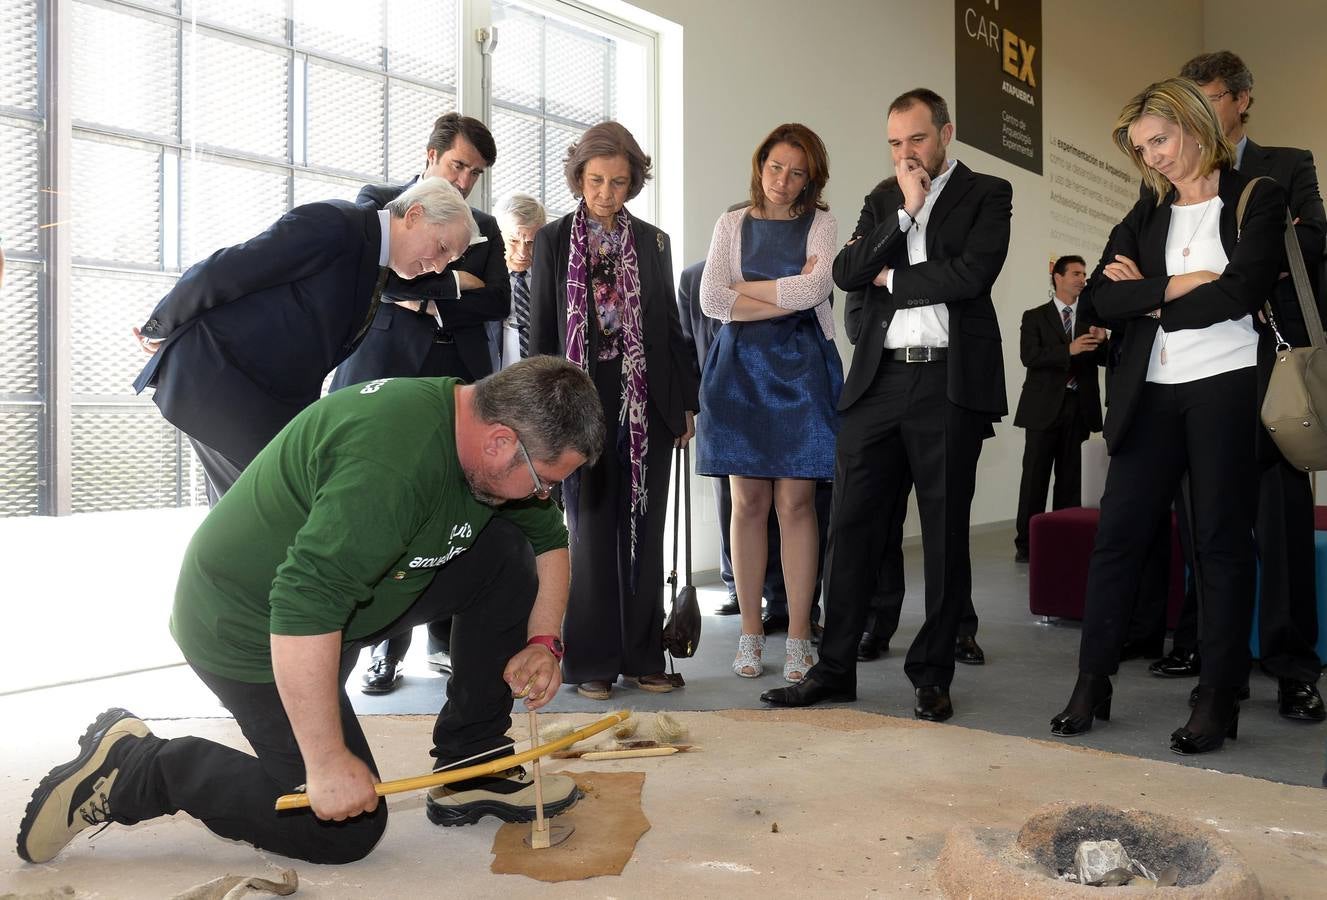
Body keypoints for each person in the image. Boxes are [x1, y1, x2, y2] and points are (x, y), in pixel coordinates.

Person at [16, 357, 605, 866]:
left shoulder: (478, 431)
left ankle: (472, 763)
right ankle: (139, 768)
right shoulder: (392, 468)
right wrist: (325, 763)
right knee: (341, 830)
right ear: (502, 440)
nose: (541, 495)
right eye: (544, 480)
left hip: (345, 604)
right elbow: (302, 607)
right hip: (247, 627)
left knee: (504, 554)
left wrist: (543, 640)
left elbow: (548, 540)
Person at [1050, 77, 1288, 755]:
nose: (1151, 157)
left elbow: (1242, 291)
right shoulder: (1145, 211)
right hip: (1148, 391)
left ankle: (1218, 695)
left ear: (1192, 126)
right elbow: (1098, 301)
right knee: (1117, 537)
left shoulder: (1255, 196)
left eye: (1159, 140)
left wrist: (1148, 299)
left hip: (1225, 386)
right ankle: (1090, 682)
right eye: (1140, 148)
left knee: (1217, 543)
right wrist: (1184, 286)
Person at [761, 88, 1012, 720]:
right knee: (850, 527)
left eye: (918, 140)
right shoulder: (882, 198)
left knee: (945, 533)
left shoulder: (989, 194)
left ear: (946, 133)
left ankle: (932, 674)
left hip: (949, 383)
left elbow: (970, 276)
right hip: (878, 383)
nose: (907, 153)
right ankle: (835, 668)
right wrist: (904, 212)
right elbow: (847, 273)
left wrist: (893, 279)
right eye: (896, 143)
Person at [1145, 51, 1326, 723]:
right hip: (1192, 369)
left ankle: (1291, 667)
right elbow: (1142, 262)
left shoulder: (1286, 163)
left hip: (1269, 365)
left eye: (1210, 98)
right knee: (1201, 520)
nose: (1195, 114)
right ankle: (1207, 652)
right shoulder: (1160, 174)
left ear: (1241, 100)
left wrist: (1238, 274)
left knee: (1278, 521)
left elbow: (1312, 240)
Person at [131, 177, 479, 504]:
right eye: (443, 248)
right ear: (414, 215)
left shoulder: (374, 262)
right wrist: (161, 325)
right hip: (222, 381)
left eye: (450, 261)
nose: (439, 267)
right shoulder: (336, 223)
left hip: (250, 395)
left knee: (241, 520)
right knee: (275, 510)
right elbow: (226, 270)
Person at [331, 114, 509, 695]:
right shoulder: (380, 202)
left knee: (456, 498)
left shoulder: (483, 226)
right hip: (385, 373)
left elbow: (499, 302)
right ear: (431, 155)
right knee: (383, 504)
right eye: (457, 165)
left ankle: (446, 636)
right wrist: (458, 286)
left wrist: (429, 297)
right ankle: (384, 648)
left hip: (459, 377)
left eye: (475, 174)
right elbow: (376, 279)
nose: (464, 181)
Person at [528, 121, 699, 701]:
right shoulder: (552, 241)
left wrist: (683, 405)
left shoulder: (653, 242)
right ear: (579, 177)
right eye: (596, 180)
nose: (606, 192)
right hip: (580, 395)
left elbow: (672, 332)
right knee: (591, 528)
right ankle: (592, 662)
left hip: (644, 395)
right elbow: (543, 333)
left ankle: (645, 655)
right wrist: (541, 415)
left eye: (619, 182)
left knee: (646, 529)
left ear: (633, 183)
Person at [695, 123, 842, 683]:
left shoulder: (822, 223)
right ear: (760, 167)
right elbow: (710, 298)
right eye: (776, 167)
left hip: (802, 371)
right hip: (738, 374)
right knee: (747, 506)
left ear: (811, 178)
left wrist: (745, 291)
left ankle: (801, 632)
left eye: (797, 172)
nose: (783, 181)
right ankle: (752, 632)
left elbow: (816, 292)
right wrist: (782, 290)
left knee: (797, 506)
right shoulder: (731, 223)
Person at [678, 257, 831, 633]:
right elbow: (684, 342)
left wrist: (746, 295)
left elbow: (820, 321)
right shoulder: (696, 277)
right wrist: (688, 403)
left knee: (796, 507)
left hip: (795, 396)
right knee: (738, 507)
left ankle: (792, 612)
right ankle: (742, 602)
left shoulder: (805, 269)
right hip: (730, 401)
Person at [1012, 255, 1108, 564]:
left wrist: (1103, 342)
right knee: (1034, 481)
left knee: (1071, 482)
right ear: (1058, 277)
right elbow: (1030, 356)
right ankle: (1027, 545)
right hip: (1042, 409)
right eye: (1076, 273)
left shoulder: (1091, 320)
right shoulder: (1035, 316)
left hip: (1079, 408)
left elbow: (1105, 360)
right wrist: (1068, 350)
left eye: (1083, 274)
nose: (1082, 279)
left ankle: (1064, 540)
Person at [492, 192, 547, 370]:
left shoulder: (553, 276)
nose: (523, 253)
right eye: (513, 240)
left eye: (531, 243)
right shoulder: (484, 276)